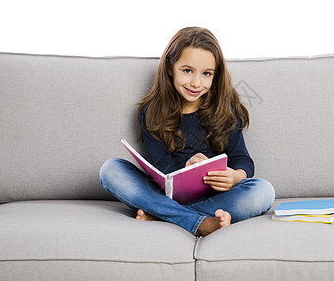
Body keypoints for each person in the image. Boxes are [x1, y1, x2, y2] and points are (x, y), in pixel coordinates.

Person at [99, 27, 275, 236]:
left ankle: (165, 216)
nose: (196, 83)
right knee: (110, 169)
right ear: (170, 68)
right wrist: (184, 168)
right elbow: (160, 166)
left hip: (215, 197)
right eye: (187, 70)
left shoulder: (225, 108)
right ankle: (198, 222)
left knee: (263, 191)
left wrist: (236, 177)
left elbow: (242, 159)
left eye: (206, 74)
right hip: (166, 195)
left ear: (215, 76)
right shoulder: (153, 111)